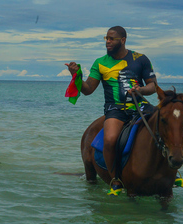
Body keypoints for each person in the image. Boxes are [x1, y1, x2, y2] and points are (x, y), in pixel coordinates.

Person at [67, 26, 174, 196]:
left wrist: (141, 90)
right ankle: (116, 178)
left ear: (123, 40)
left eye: (111, 39)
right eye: (106, 38)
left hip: (141, 105)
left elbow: (153, 85)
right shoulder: (100, 63)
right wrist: (76, 75)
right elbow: (87, 90)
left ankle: (171, 173)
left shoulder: (140, 59)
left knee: (169, 127)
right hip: (115, 109)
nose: (107, 42)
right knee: (110, 139)